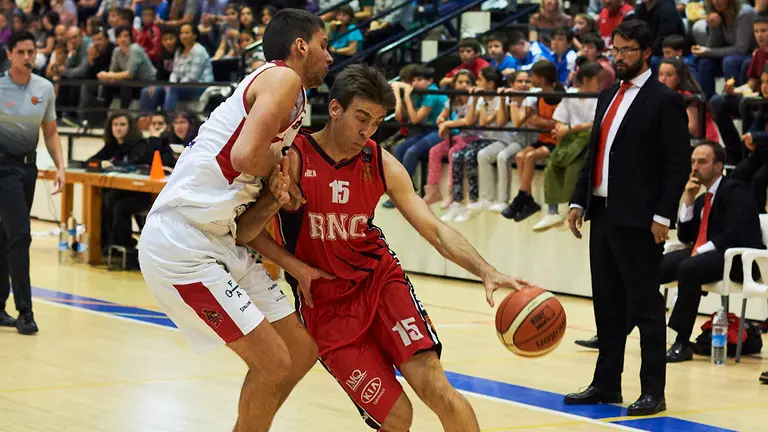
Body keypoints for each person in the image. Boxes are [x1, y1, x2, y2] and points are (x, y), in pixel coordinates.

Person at [235, 64, 525, 432]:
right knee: (398, 416)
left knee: (437, 389)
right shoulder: (295, 156)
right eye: (361, 118)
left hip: (381, 283)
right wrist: (299, 268)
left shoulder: (379, 160)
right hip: (327, 307)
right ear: (336, 108)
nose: (368, 131)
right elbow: (247, 232)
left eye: (376, 122)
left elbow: (434, 229)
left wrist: (486, 271)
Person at [137, 9, 333, 431]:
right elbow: (246, 157)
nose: (330, 56)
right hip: (182, 240)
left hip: (221, 238)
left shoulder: (287, 95)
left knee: (299, 352)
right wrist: (278, 168)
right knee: (274, 362)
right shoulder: (283, 78)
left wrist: (274, 197)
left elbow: (246, 228)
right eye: (324, 44)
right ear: (301, 45)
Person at [565, 20, 689, 416]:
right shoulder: (606, 96)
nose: (617, 57)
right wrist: (578, 201)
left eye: (626, 51)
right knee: (607, 305)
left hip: (640, 219)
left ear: (646, 52)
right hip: (602, 213)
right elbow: (595, 154)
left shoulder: (664, 100)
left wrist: (662, 216)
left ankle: (653, 390)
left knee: (646, 308)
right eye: (614, 50)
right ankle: (606, 384)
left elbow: (677, 165)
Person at [663, 142, 763, 362]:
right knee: (655, 266)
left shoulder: (736, 190)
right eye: (692, 162)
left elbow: (736, 232)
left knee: (689, 268)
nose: (695, 167)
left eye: (702, 162)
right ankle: (623, 329)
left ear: (718, 166)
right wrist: (688, 200)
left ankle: (681, 342)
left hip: (738, 260)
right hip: (710, 257)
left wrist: (702, 250)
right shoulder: (701, 199)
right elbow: (685, 236)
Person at [0, 31, 66, 334]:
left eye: (32, 51)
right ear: (10, 54)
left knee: (6, 236)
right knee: (21, 235)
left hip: (28, 169)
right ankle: (25, 311)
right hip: (3, 169)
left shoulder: (45, 88)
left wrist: (60, 167)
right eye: (22, 52)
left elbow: (50, 131)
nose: (28, 57)